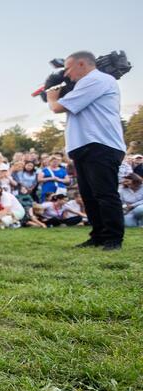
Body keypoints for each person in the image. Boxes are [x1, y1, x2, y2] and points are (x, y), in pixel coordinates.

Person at [46, 50, 126, 250]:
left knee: (104, 194)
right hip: (85, 146)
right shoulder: (83, 84)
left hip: (101, 144)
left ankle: (113, 238)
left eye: (68, 68)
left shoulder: (98, 79)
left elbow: (57, 107)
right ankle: (98, 235)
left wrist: (51, 97)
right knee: (89, 195)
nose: (66, 74)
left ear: (82, 64)